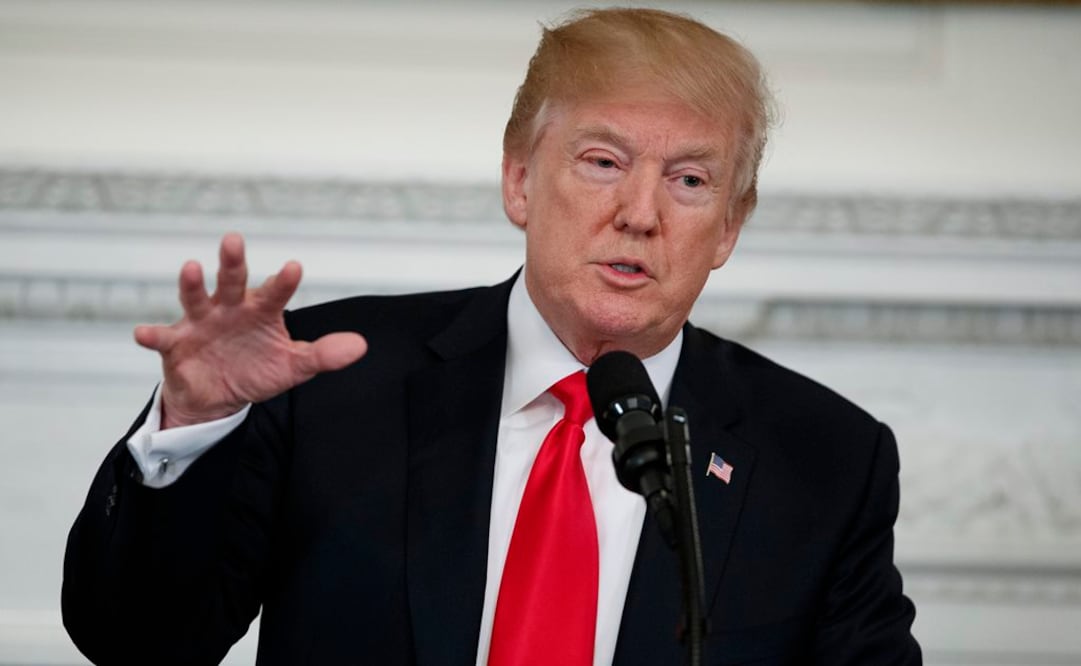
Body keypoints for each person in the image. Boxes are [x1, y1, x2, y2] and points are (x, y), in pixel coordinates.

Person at [62, 7, 920, 665]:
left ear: (728, 227)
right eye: (603, 162)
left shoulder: (824, 459)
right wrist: (192, 430)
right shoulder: (325, 382)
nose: (639, 214)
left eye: (689, 180)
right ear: (519, 179)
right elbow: (136, 644)